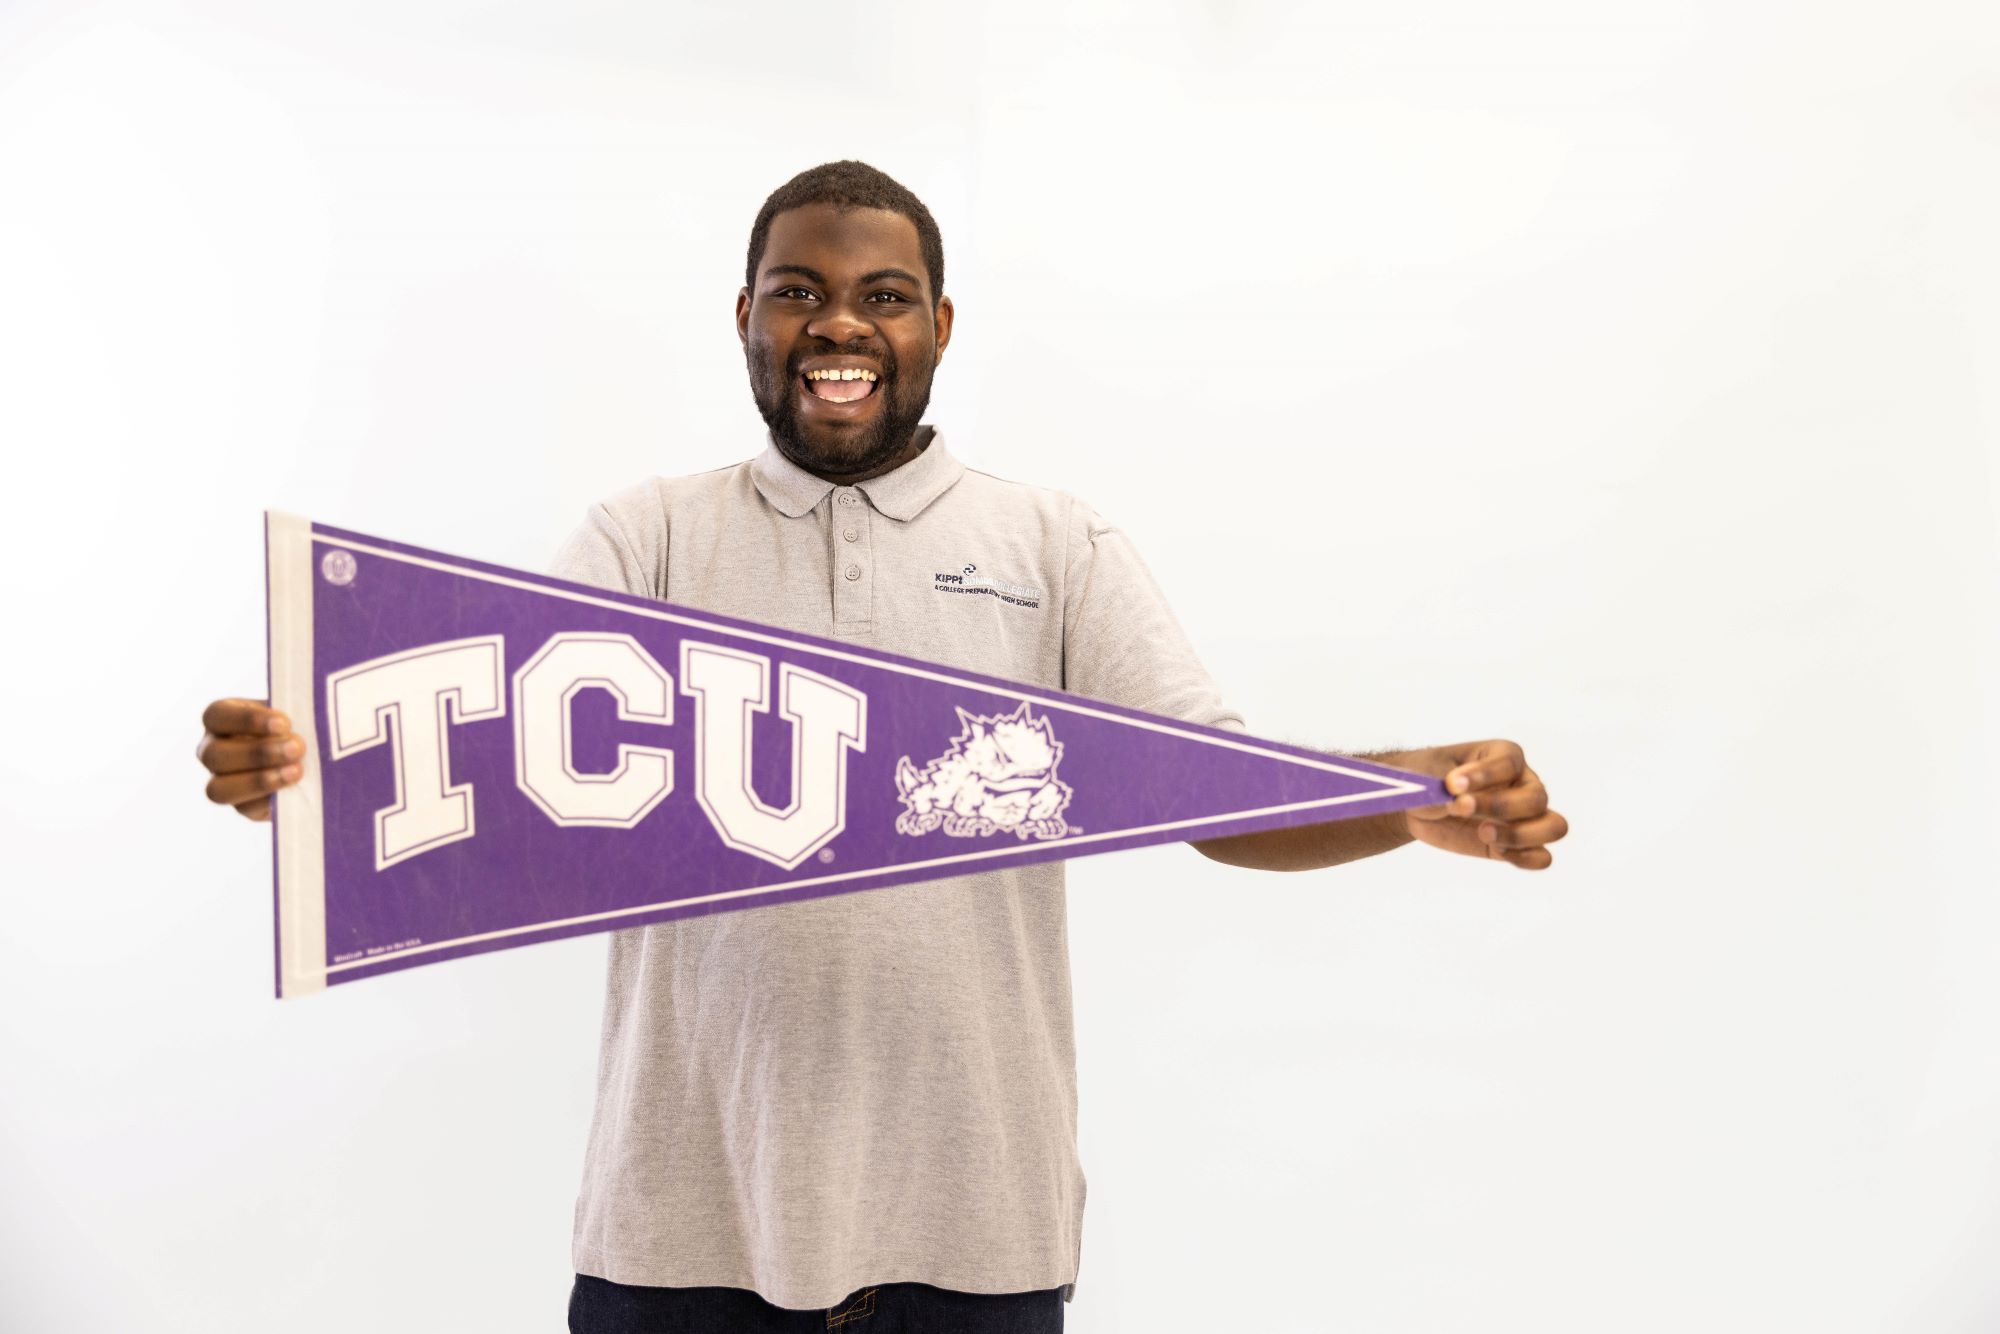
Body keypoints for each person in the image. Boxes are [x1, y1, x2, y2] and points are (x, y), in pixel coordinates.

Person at [197, 160, 1568, 1333]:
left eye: (882, 294)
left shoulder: (1051, 542)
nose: (836, 323)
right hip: (679, 1231)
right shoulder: (651, 534)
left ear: (941, 324)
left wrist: (1404, 796)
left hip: (973, 1231)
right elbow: (480, 758)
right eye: (797, 290)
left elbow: (1209, 792)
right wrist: (305, 769)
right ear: (746, 316)